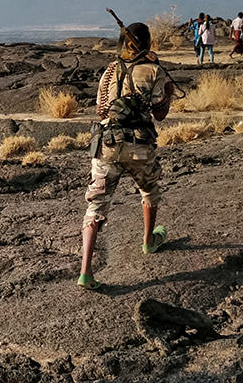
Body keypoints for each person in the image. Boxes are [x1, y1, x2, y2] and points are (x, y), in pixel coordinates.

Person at [78, 22, 174, 290]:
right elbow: (160, 114)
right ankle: (148, 241)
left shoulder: (110, 70)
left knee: (95, 207)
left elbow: (101, 111)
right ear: (147, 42)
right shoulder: (155, 71)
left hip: (107, 144)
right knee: (149, 190)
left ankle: (86, 272)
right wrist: (167, 94)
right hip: (140, 145)